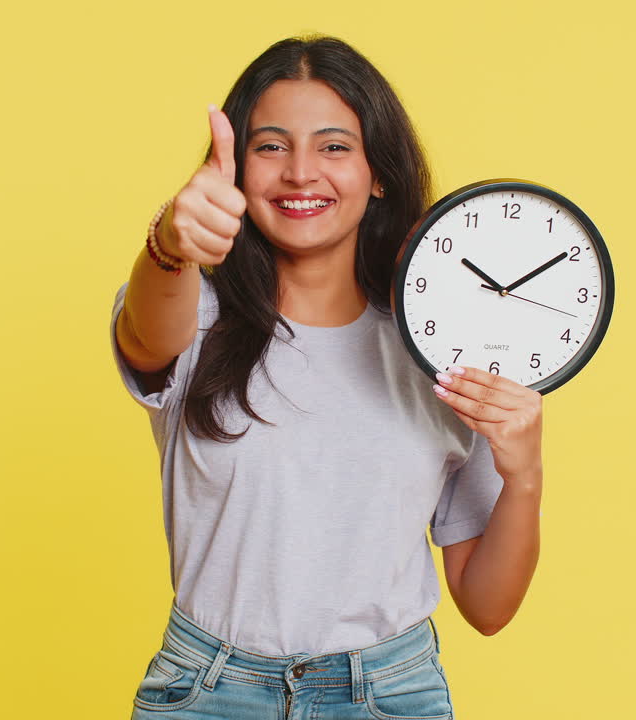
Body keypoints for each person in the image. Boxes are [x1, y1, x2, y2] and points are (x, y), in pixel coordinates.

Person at [110, 35, 543, 719]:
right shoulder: (192, 314)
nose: (301, 172)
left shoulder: (443, 351)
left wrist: (524, 475)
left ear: (378, 174)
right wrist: (171, 242)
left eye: (335, 147)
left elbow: (487, 608)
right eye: (271, 146)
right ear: (236, 171)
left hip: (390, 692)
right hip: (209, 690)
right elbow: (146, 326)